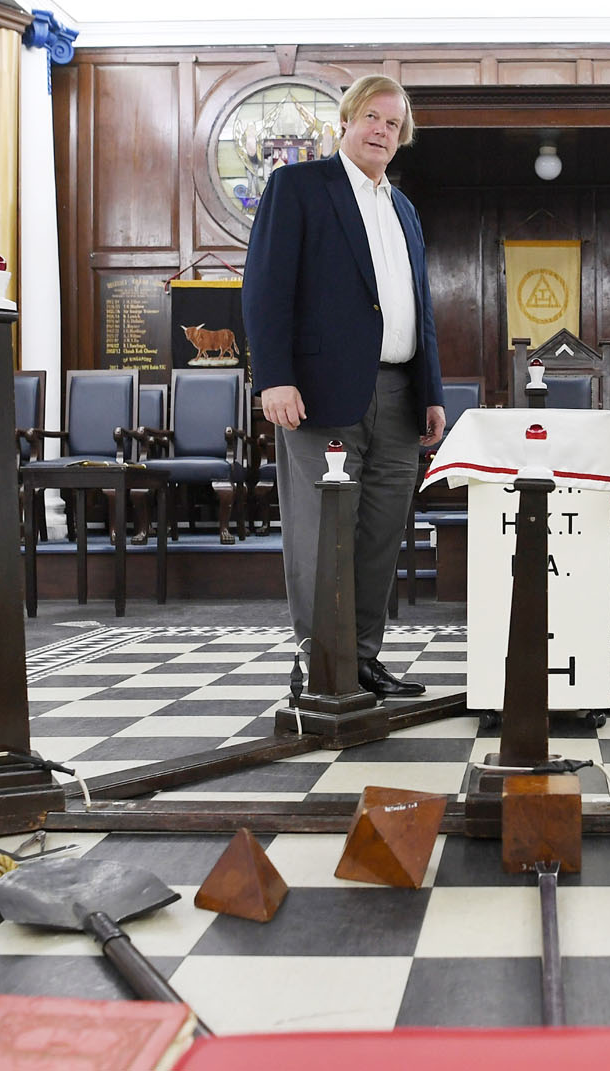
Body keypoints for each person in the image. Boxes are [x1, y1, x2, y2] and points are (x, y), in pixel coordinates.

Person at [242, 75, 446, 698]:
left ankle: (361, 659)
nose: (381, 131)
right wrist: (274, 378)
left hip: (399, 395)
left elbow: (418, 306)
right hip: (318, 393)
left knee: (380, 535)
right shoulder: (299, 186)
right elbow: (266, 288)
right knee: (320, 533)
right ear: (346, 122)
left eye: (393, 124)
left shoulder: (403, 208)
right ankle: (319, 665)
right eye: (372, 118)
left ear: (402, 137)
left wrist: (431, 391)